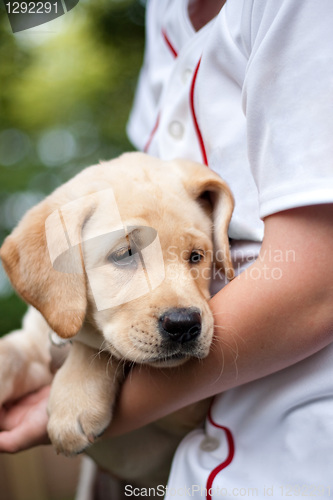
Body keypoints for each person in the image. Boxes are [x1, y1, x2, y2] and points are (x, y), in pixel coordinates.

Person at [1, 0, 333, 497]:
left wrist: (91, 368)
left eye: (196, 257)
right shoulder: (164, 9)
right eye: (126, 255)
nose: (182, 306)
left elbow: (316, 282)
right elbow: (42, 341)